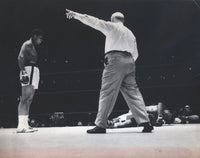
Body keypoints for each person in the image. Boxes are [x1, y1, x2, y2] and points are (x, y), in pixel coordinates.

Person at [66, 9, 153, 133]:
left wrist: (76, 15)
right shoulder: (130, 33)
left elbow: (94, 21)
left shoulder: (112, 27)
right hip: (130, 62)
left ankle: (101, 125)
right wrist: (127, 62)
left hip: (115, 61)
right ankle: (146, 122)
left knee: (107, 92)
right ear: (123, 20)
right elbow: (136, 53)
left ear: (112, 19)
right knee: (133, 93)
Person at [17, 29, 43, 133]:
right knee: (24, 98)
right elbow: (20, 58)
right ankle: (20, 126)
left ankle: (25, 124)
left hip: (34, 71)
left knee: (29, 100)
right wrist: (23, 72)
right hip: (28, 70)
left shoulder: (32, 46)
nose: (41, 40)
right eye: (40, 38)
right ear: (35, 36)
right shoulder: (27, 44)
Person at [108, 102, 175, 128]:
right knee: (130, 116)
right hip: (138, 110)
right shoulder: (161, 107)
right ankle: (114, 120)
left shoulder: (158, 119)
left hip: (142, 118)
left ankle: (114, 125)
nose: (167, 115)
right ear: (168, 110)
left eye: (168, 117)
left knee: (130, 123)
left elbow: (152, 122)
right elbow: (160, 104)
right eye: (168, 114)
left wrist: (156, 123)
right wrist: (160, 116)